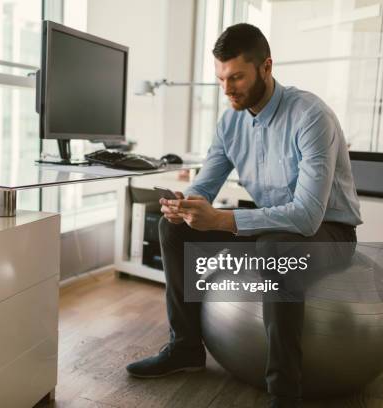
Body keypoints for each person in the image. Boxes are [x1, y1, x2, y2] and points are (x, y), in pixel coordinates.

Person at [125, 23, 362, 408]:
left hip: (330, 231)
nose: (227, 88)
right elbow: (206, 186)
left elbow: (305, 218)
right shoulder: (230, 122)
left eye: (236, 77)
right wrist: (184, 205)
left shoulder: (311, 116)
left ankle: (285, 393)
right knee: (174, 233)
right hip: (271, 222)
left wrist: (221, 221)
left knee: (275, 249)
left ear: (266, 68)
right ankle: (185, 349)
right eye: (221, 78)